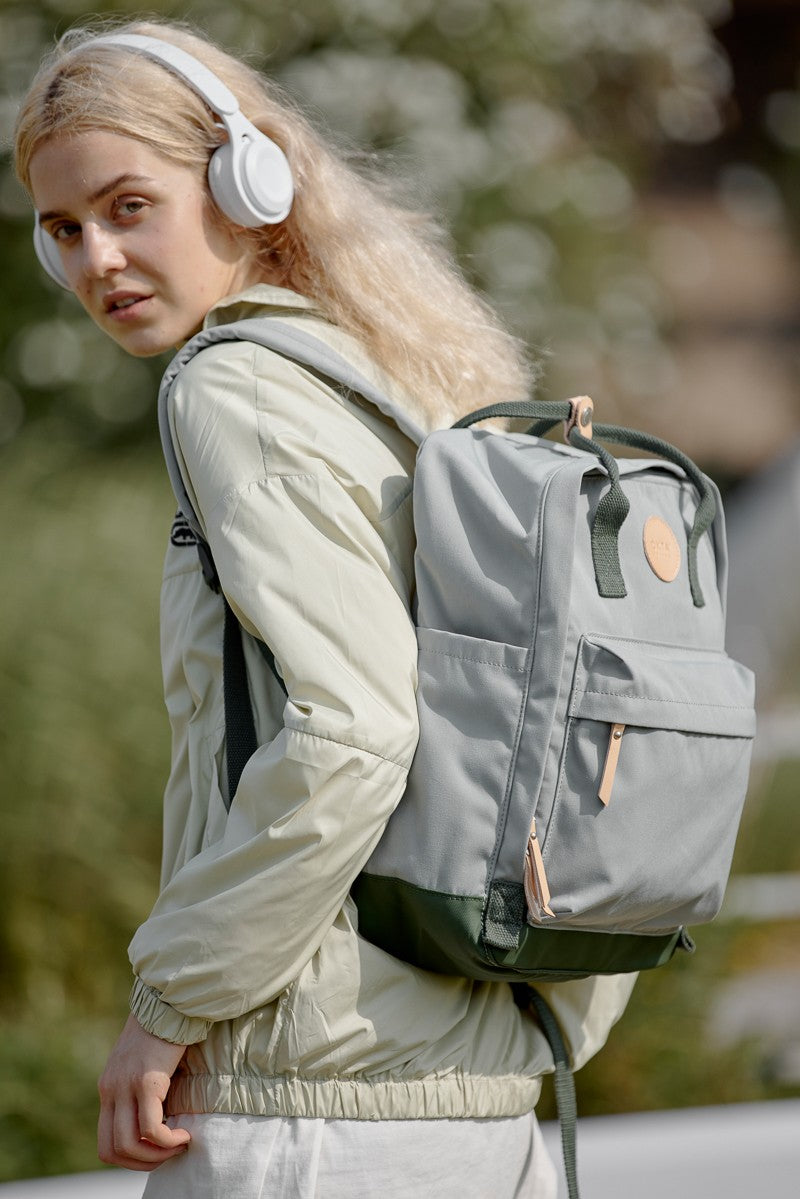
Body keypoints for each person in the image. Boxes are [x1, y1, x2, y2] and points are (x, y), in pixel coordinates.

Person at [14, 19, 635, 1197]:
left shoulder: (234, 385)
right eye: (63, 229)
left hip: (313, 1116)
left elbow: (353, 731)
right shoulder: (384, 379)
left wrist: (169, 1001)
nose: (96, 259)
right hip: (473, 1093)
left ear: (243, 182)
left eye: (127, 206)